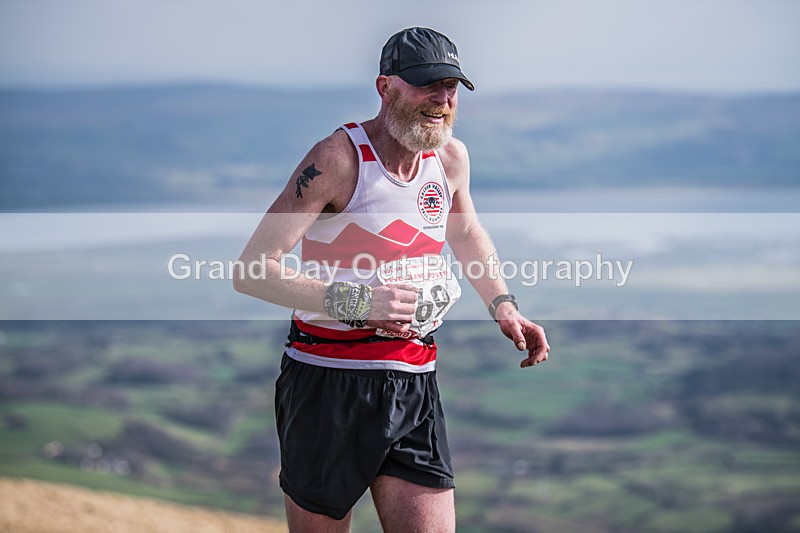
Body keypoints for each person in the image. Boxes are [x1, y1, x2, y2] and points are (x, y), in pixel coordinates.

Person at [234, 27, 550, 533]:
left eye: (451, 86)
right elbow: (253, 269)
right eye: (427, 84)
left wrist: (504, 306)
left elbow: (465, 231)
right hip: (326, 383)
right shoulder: (336, 159)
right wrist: (359, 303)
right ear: (385, 87)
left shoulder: (450, 159)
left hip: (414, 379)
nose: (442, 99)